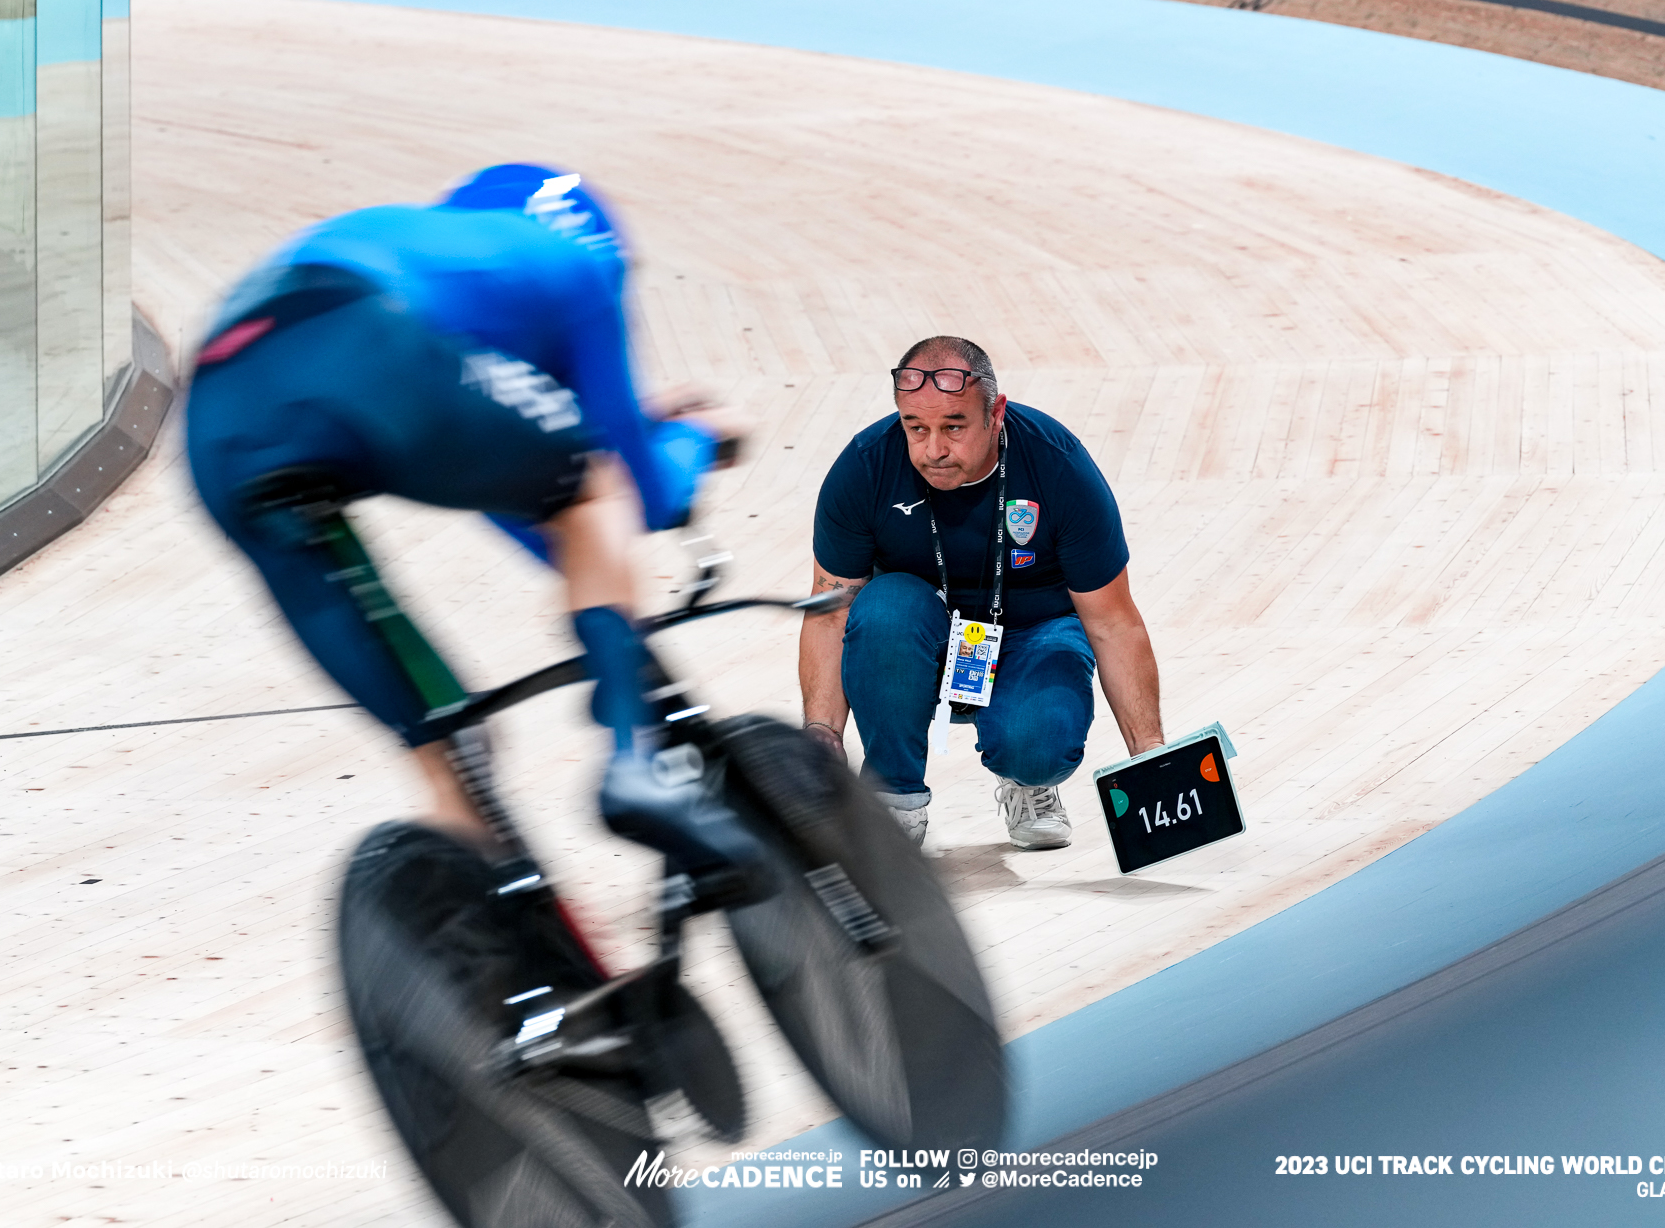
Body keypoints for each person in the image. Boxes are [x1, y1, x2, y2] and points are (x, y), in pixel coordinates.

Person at [185, 162, 765, 887]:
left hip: (217, 411)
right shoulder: (578, 264)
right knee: (595, 487)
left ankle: (503, 949)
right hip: (362, 348)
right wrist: (701, 437)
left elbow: (504, 476)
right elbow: (635, 494)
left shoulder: (426, 249)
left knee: (458, 753)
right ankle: (635, 759)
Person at [799, 335, 1165, 849]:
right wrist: (823, 732)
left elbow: (1113, 622)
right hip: (917, 634)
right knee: (881, 609)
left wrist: (1151, 757)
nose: (933, 450)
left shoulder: (1059, 466)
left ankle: (1028, 782)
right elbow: (829, 612)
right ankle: (893, 801)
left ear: (996, 413)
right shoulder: (864, 468)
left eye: (954, 426)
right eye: (915, 427)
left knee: (1038, 744)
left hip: (1033, 631)